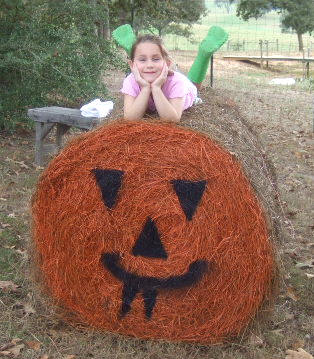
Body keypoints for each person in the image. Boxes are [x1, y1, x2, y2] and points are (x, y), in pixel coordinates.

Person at [120, 34, 197, 122]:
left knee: (194, 86)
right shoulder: (130, 81)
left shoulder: (177, 82)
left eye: (156, 59)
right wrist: (145, 88)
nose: (149, 65)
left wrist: (156, 88)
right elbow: (130, 119)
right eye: (142, 60)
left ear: (167, 63)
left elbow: (172, 119)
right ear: (132, 65)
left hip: (187, 90)